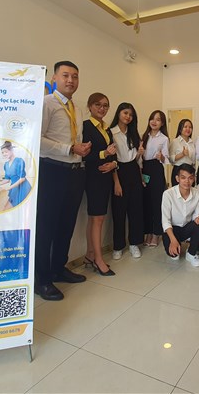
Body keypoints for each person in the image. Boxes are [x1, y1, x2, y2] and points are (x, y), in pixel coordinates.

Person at [35, 60, 91, 301]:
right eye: (66, 75)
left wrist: (80, 149)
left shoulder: (77, 108)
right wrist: (69, 148)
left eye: (75, 76)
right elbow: (36, 139)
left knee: (66, 226)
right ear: (54, 78)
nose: (71, 80)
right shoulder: (46, 103)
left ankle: (59, 268)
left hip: (75, 172)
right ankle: (41, 280)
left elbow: (74, 141)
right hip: (52, 171)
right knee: (46, 227)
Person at [82, 93, 117, 276]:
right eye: (98, 105)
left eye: (105, 105)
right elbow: (84, 155)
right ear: (90, 106)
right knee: (97, 219)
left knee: (95, 218)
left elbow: (113, 153)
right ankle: (98, 259)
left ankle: (90, 255)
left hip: (105, 177)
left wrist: (113, 163)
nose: (102, 109)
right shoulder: (86, 126)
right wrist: (105, 154)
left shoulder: (106, 128)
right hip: (93, 177)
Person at [110, 102, 145, 260]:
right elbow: (112, 160)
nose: (128, 117)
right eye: (125, 113)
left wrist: (140, 153)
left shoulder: (133, 134)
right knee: (119, 211)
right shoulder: (111, 132)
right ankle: (118, 246)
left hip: (134, 171)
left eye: (131, 115)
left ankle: (134, 244)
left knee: (135, 209)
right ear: (118, 113)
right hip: (119, 171)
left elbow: (136, 160)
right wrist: (116, 182)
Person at [161, 164, 199, 267]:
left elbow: (197, 216)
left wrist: (198, 220)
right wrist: (173, 240)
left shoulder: (198, 194)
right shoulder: (168, 194)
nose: (187, 181)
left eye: (190, 178)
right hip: (172, 229)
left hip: (187, 227)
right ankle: (176, 242)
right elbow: (165, 221)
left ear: (194, 179)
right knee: (174, 256)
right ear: (177, 178)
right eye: (183, 178)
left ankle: (191, 253)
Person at [141, 110, 170, 248]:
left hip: (156, 169)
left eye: (158, 119)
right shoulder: (143, 136)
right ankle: (148, 232)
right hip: (144, 169)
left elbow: (167, 160)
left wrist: (161, 157)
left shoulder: (164, 139)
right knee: (146, 203)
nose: (154, 121)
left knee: (156, 203)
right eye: (152, 118)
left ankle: (156, 233)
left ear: (162, 123)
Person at [0, 141, 32, 209]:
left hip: (23, 188)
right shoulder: (6, 164)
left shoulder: (19, 161)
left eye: (6, 152)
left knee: (9, 209)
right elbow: (7, 179)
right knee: (6, 209)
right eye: (2, 152)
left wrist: (8, 188)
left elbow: (22, 178)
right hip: (15, 188)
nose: (4, 154)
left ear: (11, 150)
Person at [169, 118, 196, 186]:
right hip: (178, 170)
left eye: (190, 127)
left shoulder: (192, 143)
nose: (188, 129)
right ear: (180, 129)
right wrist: (182, 154)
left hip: (190, 171)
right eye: (185, 127)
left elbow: (193, 161)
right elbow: (170, 159)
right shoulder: (175, 141)